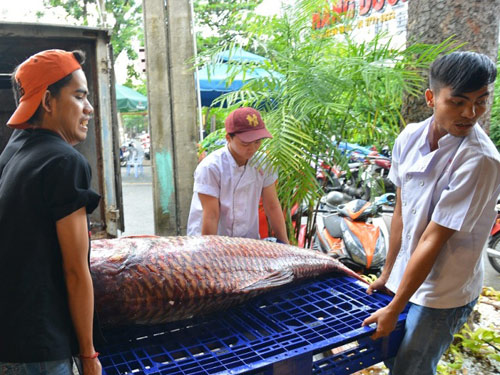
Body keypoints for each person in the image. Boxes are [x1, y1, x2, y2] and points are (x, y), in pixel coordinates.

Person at [362, 51, 500, 375]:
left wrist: (395, 305)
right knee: (394, 356)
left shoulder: (480, 160)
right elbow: (401, 212)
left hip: (444, 292)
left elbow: (433, 238)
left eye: (482, 101)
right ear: (431, 98)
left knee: (412, 368)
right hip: (408, 277)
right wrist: (387, 275)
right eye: (458, 102)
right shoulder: (409, 137)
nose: (471, 113)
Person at [0, 49, 102, 375]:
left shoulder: (13, 150)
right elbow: (75, 271)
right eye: (79, 97)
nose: (89, 109)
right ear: (47, 101)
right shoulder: (64, 162)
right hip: (41, 349)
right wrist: (88, 356)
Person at [187, 107, 289, 244]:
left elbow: (272, 206)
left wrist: (286, 244)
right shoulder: (211, 167)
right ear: (229, 138)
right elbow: (211, 215)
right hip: (210, 239)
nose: (252, 148)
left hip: (248, 239)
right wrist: (209, 254)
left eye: (257, 142)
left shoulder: (263, 163)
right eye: (245, 143)